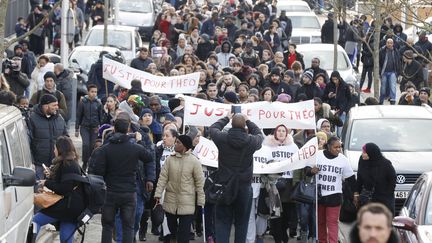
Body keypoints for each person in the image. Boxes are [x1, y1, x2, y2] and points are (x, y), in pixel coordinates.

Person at [92, 114, 155, 243]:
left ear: (114, 129)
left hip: (110, 192)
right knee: (128, 226)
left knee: (107, 226)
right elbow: (149, 157)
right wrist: (139, 142)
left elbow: (98, 171)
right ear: (128, 129)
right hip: (129, 193)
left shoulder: (105, 149)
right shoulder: (135, 148)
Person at [209, 113, 264, 243]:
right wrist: (249, 120)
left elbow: (213, 128)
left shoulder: (222, 138)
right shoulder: (251, 141)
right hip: (244, 188)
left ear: (231, 124)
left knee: (222, 222)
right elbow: (259, 134)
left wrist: (226, 117)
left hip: (225, 186)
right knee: (242, 223)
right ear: (244, 125)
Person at [32, 136, 86, 243]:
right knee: (65, 239)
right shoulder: (69, 162)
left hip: (67, 206)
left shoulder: (68, 165)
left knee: (35, 221)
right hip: (73, 207)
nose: (54, 150)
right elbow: (64, 182)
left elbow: (64, 189)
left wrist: (46, 182)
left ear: (60, 149)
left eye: (55, 148)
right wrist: (51, 175)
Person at [154, 135, 205, 243]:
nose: (175, 144)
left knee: (184, 236)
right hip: (170, 201)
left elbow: (200, 183)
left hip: (187, 203)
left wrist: (201, 201)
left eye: (178, 143)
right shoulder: (170, 160)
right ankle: (173, 237)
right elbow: (162, 178)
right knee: (171, 228)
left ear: (185, 146)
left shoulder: (194, 162)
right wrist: (158, 194)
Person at [308, 136, 356, 243]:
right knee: (320, 222)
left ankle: (333, 241)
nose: (339, 149)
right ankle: (322, 241)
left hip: (335, 195)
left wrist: (355, 194)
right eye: (336, 147)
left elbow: (351, 179)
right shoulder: (318, 155)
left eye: (340, 147)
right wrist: (312, 171)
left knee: (332, 222)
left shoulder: (343, 159)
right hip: (319, 195)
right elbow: (307, 170)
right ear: (329, 147)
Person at [28, 94, 68, 180]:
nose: (57, 107)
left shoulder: (60, 118)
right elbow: (28, 141)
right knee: (40, 190)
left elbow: (66, 138)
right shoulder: (32, 118)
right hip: (39, 164)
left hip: (56, 164)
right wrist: (31, 161)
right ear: (46, 106)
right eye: (54, 105)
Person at [354, 143, 396, 215]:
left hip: (383, 198)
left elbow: (392, 179)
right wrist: (356, 192)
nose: (362, 154)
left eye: (364, 152)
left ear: (371, 153)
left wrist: (387, 194)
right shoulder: (362, 160)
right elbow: (359, 177)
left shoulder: (385, 164)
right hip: (366, 196)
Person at [75, 84, 103, 171]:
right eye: (92, 92)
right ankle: (85, 162)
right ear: (88, 92)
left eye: (95, 92)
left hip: (94, 128)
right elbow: (79, 115)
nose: (94, 93)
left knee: (92, 146)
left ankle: (90, 162)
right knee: (86, 145)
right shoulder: (83, 102)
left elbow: (100, 116)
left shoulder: (98, 103)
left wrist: (100, 128)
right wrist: (77, 128)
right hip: (84, 127)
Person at [379, 38, 401, 105]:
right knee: (383, 88)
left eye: (391, 43)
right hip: (384, 72)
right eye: (388, 42)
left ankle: (393, 101)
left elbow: (398, 62)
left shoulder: (395, 51)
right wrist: (379, 71)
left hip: (392, 72)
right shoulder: (382, 51)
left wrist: (398, 72)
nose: (389, 44)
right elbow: (379, 62)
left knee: (393, 87)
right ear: (386, 43)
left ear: (393, 44)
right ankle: (381, 101)